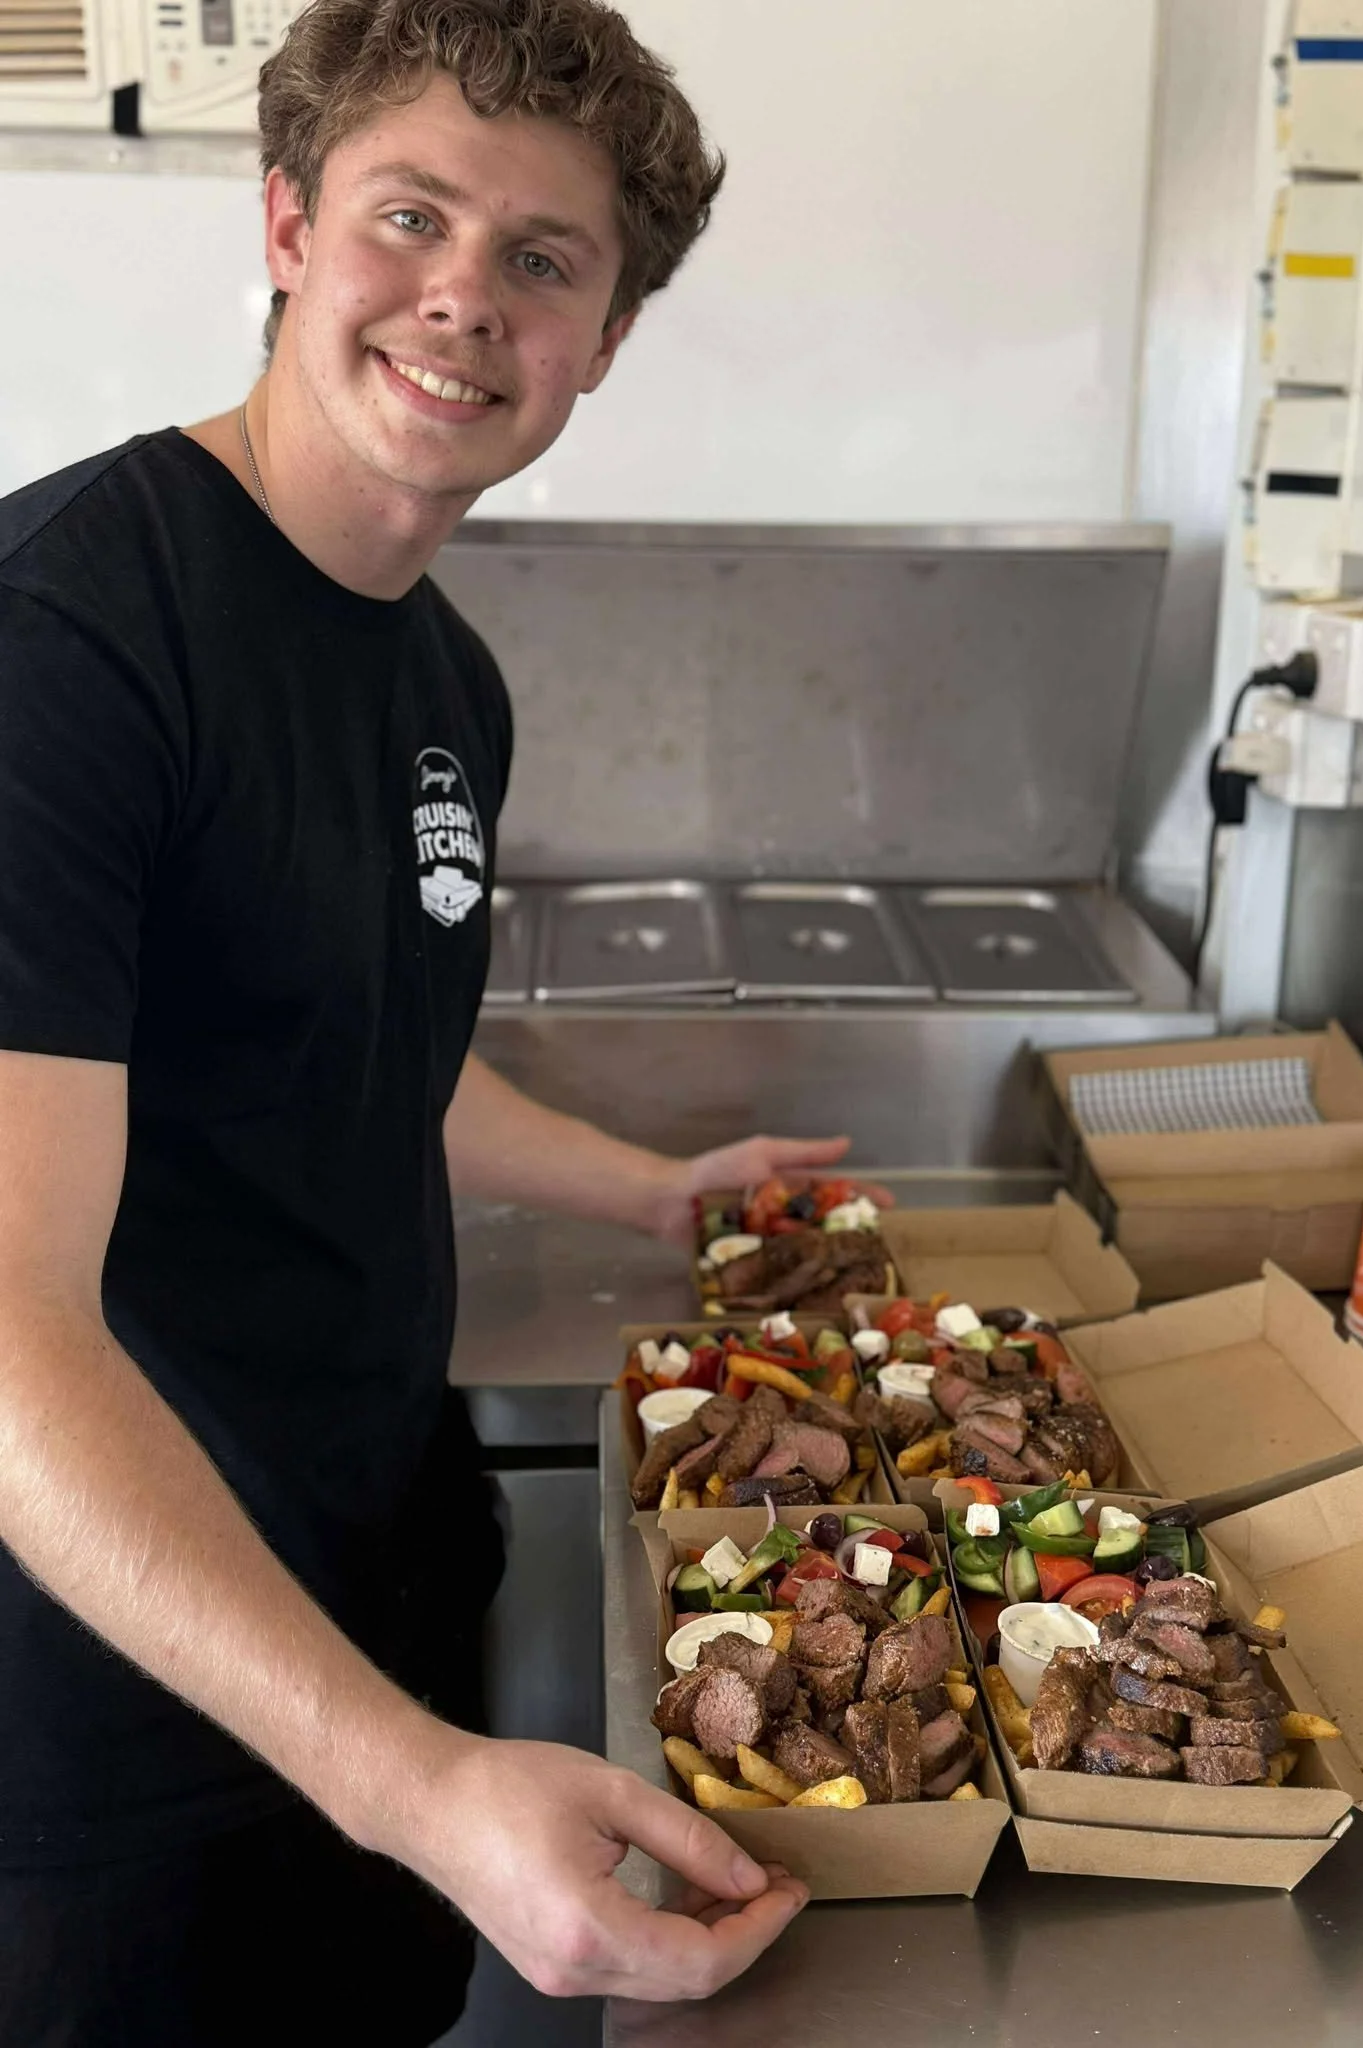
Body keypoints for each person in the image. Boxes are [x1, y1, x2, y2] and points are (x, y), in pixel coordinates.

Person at [0, 1, 856, 2038]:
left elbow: (366, 1038)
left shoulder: (441, 677)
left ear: (602, 340)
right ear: (289, 225)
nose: (466, 299)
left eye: (544, 261)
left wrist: (656, 1190)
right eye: (411, 216)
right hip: (127, 1728)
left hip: (382, 1608)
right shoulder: (67, 643)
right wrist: (419, 1789)